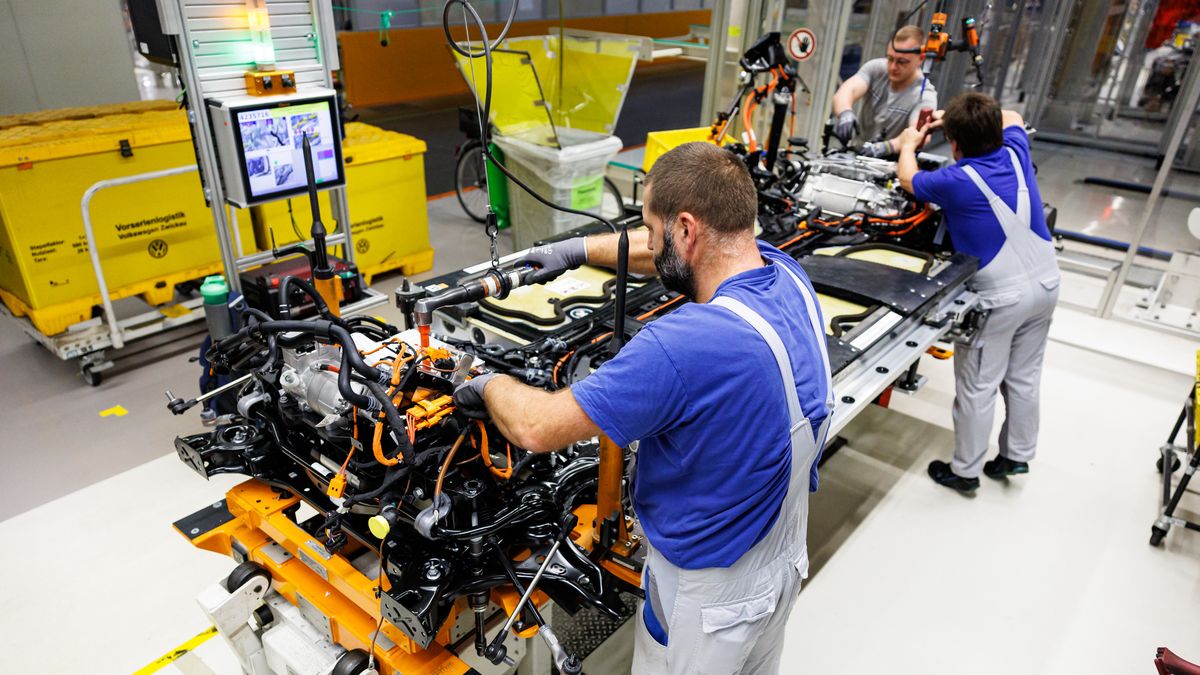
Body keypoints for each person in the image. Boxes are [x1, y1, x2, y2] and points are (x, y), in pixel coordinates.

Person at [453, 142, 834, 674]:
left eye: (654, 232)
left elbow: (537, 427)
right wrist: (578, 251)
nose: (649, 246)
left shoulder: (682, 344)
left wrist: (483, 379)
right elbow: (671, 248)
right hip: (781, 557)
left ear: (685, 229)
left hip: (710, 594)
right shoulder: (786, 273)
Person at [894, 92, 1060, 493]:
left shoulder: (955, 180)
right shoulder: (1016, 151)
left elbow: (907, 179)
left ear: (954, 144)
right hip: (1047, 281)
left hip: (1002, 296)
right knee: (1024, 375)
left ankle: (965, 471)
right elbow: (1015, 114)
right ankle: (1016, 456)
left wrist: (911, 144)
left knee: (978, 384)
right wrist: (950, 118)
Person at [830, 25, 938, 158]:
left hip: (891, 164)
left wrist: (888, 147)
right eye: (890, 58)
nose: (893, 67)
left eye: (902, 62)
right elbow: (847, 90)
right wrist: (845, 113)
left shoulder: (924, 94)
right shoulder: (876, 68)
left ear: (921, 58)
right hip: (858, 154)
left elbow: (918, 135)